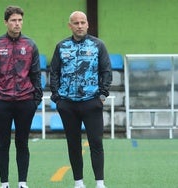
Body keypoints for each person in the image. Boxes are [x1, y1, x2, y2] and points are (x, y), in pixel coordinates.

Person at [50, 11, 112, 188]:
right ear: (70, 26)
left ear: (87, 24)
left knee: (96, 142)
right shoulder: (61, 46)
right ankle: (79, 182)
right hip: (67, 104)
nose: (79, 26)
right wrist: (57, 98)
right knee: (73, 143)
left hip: (91, 102)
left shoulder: (98, 45)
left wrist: (102, 95)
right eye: (75, 23)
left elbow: (106, 71)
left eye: (82, 22)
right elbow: (54, 72)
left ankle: (99, 182)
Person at [0, 6, 43, 188]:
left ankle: (22, 182)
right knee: (3, 143)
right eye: (13, 20)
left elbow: (36, 74)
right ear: (6, 22)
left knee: (22, 143)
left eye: (20, 20)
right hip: (1, 101)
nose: (17, 24)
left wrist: (36, 99)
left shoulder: (30, 45)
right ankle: (4, 183)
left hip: (26, 101)